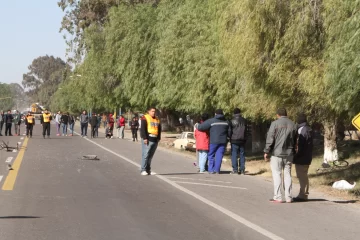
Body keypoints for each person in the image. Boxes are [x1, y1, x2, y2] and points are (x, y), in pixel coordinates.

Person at [264, 108, 297, 203]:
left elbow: (270, 138)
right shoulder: (293, 124)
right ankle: (289, 197)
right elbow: (295, 140)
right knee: (288, 175)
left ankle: (278, 197)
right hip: (289, 153)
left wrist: (266, 151)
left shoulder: (274, 124)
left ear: (278, 115)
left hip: (277, 153)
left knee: (277, 174)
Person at [196, 109, 229, 174]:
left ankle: (211, 170)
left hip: (213, 141)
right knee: (219, 155)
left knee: (211, 155)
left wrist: (197, 126)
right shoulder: (226, 122)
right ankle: (217, 170)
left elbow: (200, 127)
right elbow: (229, 132)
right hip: (223, 141)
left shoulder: (211, 121)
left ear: (215, 114)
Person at [293, 113, 313, 202]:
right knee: (304, 175)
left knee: (302, 176)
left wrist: (296, 155)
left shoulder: (302, 130)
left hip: (302, 157)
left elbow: (301, 145)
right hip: (307, 156)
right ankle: (303, 193)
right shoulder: (308, 128)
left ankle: (303, 195)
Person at [140, 107, 161, 175]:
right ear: (148, 111)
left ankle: (148, 170)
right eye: (152, 111)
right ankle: (143, 169)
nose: (153, 112)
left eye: (154, 111)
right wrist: (145, 138)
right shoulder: (145, 117)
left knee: (150, 156)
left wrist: (158, 138)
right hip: (148, 138)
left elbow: (159, 129)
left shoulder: (157, 119)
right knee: (145, 155)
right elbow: (143, 129)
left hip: (155, 139)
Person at [228, 108, 248, 175]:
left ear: (234, 113)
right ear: (240, 113)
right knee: (242, 154)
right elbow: (246, 131)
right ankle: (242, 170)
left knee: (234, 154)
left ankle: (235, 170)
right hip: (242, 140)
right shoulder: (244, 120)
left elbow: (230, 131)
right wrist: (245, 138)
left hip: (234, 140)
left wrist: (229, 137)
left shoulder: (232, 121)